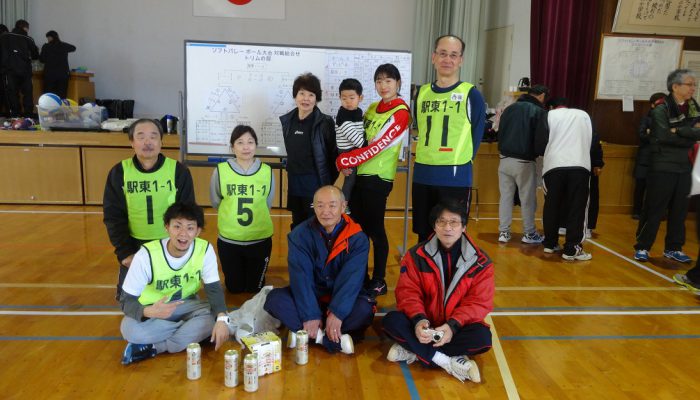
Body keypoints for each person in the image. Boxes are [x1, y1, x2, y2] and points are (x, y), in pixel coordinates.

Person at [382, 201, 493, 383]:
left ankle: (414, 351)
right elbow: (408, 293)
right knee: (391, 321)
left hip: (456, 327)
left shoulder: (481, 262)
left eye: (454, 222)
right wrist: (419, 321)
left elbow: (479, 303)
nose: (447, 227)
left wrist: (452, 326)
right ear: (434, 226)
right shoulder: (416, 255)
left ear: (464, 227)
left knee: (482, 338)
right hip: (424, 324)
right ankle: (447, 360)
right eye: (441, 221)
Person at [264, 185, 375, 355]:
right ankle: (330, 338)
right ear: (313, 207)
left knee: (364, 310)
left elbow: (352, 280)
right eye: (320, 205)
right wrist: (310, 314)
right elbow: (301, 277)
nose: (325, 211)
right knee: (275, 300)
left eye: (332, 205)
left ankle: (306, 334)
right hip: (312, 297)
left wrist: (337, 313)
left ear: (343, 206)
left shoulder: (357, 238)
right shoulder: (300, 235)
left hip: (342, 299)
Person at [119, 202, 230, 365]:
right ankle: (191, 332)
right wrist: (147, 311)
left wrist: (221, 320)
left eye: (190, 228)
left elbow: (214, 290)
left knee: (219, 317)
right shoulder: (146, 255)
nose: (183, 234)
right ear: (167, 227)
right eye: (177, 226)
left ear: (197, 231)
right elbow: (126, 301)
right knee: (129, 329)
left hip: (187, 305)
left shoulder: (204, 249)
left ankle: (157, 347)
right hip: (153, 310)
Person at [335, 64, 411, 297]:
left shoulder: (401, 112)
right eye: (379, 81)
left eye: (388, 81)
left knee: (375, 230)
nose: (383, 85)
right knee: (356, 230)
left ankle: (379, 280)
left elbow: (377, 146)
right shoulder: (370, 107)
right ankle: (360, 276)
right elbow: (357, 138)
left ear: (398, 83)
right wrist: (344, 158)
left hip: (378, 178)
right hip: (358, 176)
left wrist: (345, 160)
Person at [103, 118, 195, 301]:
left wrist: (180, 247)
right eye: (141, 136)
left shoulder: (178, 171)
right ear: (132, 142)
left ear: (161, 142)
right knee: (130, 304)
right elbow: (113, 217)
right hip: (135, 246)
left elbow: (188, 213)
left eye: (153, 137)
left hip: (169, 243)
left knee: (177, 301)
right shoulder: (119, 172)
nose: (148, 142)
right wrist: (125, 253)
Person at [412, 35, 486, 243]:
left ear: (461, 60)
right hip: (423, 173)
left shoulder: (471, 94)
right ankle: (424, 266)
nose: (447, 59)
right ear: (433, 57)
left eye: (453, 55)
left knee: (450, 237)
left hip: (454, 175)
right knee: (423, 234)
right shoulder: (422, 93)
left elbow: (477, 134)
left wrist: (461, 161)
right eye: (443, 53)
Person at [634, 69, 700, 263]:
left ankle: (674, 247)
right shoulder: (661, 108)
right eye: (689, 84)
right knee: (655, 208)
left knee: (680, 210)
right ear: (675, 86)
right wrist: (688, 134)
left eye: (694, 85)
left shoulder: (694, 107)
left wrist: (677, 131)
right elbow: (663, 136)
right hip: (662, 164)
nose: (693, 88)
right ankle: (643, 246)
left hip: (686, 165)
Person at [210, 125, 275, 293]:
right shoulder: (221, 170)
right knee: (234, 288)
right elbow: (216, 201)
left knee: (255, 288)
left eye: (250, 142)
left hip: (259, 240)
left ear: (256, 145)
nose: (246, 147)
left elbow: (267, 203)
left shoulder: (267, 171)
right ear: (232, 147)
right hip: (229, 240)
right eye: (240, 142)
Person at [535, 97, 593, 261]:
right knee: (577, 208)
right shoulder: (584, 115)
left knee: (551, 205)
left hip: (553, 166)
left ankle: (550, 243)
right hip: (580, 165)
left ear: (552, 107)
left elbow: (539, 145)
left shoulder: (548, 115)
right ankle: (572, 248)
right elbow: (593, 141)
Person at [280, 73, 338, 230]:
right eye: (302, 93)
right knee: (297, 225)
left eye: (311, 95)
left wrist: (325, 184)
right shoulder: (288, 121)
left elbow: (334, 156)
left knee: (316, 226)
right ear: (295, 95)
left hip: (315, 185)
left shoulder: (325, 122)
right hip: (294, 183)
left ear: (316, 98)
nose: (306, 99)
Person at [496, 84, 548, 244]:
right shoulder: (538, 112)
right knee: (527, 199)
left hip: (504, 159)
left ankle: (504, 232)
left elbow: (499, 131)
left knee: (505, 197)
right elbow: (540, 139)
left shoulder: (509, 109)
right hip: (524, 161)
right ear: (542, 96)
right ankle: (529, 233)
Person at [633, 93, 666, 219]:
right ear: (652, 105)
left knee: (657, 188)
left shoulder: (668, 119)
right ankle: (637, 211)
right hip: (644, 159)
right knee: (640, 187)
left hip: (660, 159)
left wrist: (651, 132)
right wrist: (656, 134)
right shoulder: (646, 119)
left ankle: (655, 213)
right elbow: (642, 135)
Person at [335, 78, 365, 206]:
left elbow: (360, 130)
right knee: (350, 179)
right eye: (344, 98)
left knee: (356, 180)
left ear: (360, 98)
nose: (348, 101)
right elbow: (356, 139)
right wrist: (368, 145)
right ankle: (344, 204)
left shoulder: (358, 112)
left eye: (352, 98)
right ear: (340, 98)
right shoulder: (343, 115)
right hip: (347, 151)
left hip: (354, 149)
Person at [0, 19, 38, 117]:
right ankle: (28, 115)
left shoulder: (4, 37)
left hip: (9, 71)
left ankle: (15, 116)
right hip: (26, 71)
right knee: (27, 94)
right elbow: (35, 55)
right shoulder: (28, 38)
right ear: (25, 28)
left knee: (12, 93)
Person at [39, 30, 76, 99]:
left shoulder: (46, 46)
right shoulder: (63, 45)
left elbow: (42, 60)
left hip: (50, 74)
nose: (48, 39)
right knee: (62, 95)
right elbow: (73, 48)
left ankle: (49, 106)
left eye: (48, 38)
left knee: (49, 95)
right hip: (63, 74)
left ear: (51, 37)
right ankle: (61, 106)